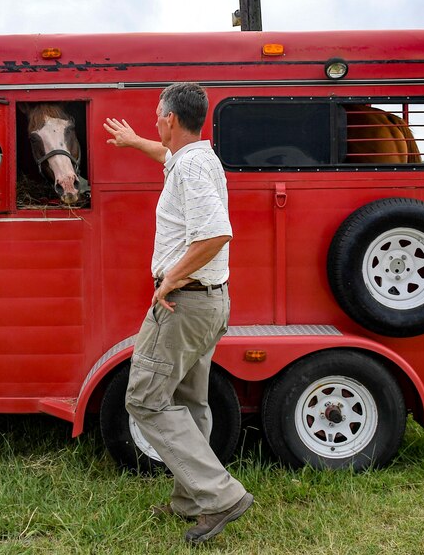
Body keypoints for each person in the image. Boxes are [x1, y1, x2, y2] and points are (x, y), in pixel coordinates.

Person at [103, 83, 253, 545]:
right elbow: (164, 156)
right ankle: (191, 500)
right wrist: (133, 143)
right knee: (190, 402)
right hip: (210, 302)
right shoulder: (197, 158)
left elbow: (214, 234)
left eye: (156, 117)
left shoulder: (190, 168)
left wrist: (169, 280)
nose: (153, 123)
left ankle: (220, 495)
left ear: (170, 119)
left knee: (144, 399)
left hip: (183, 303)